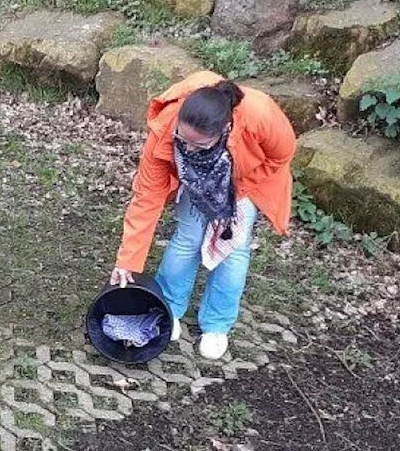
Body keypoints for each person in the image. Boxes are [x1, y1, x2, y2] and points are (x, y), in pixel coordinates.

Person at [109, 71, 295, 360]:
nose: (187, 148)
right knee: (188, 238)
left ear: (224, 131)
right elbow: (147, 198)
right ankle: (168, 309)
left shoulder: (259, 114)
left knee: (234, 249)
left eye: (199, 145)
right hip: (194, 182)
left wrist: (240, 191)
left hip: (245, 181)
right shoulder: (165, 131)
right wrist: (128, 261)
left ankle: (217, 325)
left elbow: (283, 153)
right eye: (183, 140)